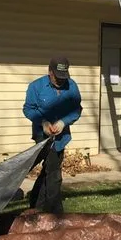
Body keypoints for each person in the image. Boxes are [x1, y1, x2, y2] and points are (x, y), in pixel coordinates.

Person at [22, 56, 82, 214]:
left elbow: (77, 109)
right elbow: (28, 109)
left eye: (64, 77)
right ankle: (52, 212)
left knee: (52, 170)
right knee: (51, 171)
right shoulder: (36, 87)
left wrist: (63, 122)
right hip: (42, 136)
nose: (61, 81)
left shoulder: (72, 86)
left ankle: (42, 206)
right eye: (57, 77)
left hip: (61, 137)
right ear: (50, 72)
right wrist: (43, 122)